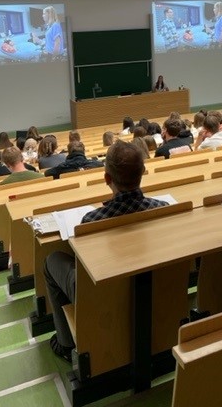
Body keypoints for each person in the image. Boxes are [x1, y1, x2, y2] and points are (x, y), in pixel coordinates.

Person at [44, 141, 169, 361]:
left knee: (52, 260)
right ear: (143, 173)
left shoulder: (91, 221)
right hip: (153, 285)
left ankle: (65, 343)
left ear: (107, 179)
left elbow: (83, 265)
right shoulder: (163, 209)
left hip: (103, 293)